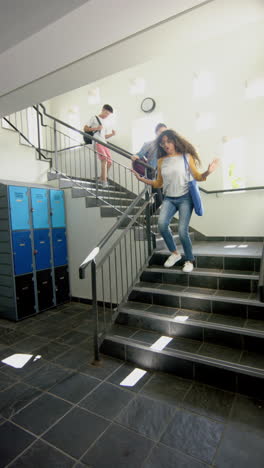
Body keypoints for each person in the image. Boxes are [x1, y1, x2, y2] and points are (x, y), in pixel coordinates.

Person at [132, 129, 219, 273]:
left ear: (175, 141)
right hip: (169, 199)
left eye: (169, 141)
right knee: (162, 224)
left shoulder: (186, 156)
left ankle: (190, 260)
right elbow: (159, 183)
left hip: (185, 198)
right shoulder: (161, 161)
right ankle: (175, 254)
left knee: (182, 231)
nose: (166, 145)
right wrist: (142, 179)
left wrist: (208, 172)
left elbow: (197, 176)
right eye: (163, 143)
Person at [131, 123, 167, 214]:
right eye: (161, 132)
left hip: (164, 175)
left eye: (165, 132)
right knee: (159, 199)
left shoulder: (166, 146)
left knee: (164, 199)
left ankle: (147, 217)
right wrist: (135, 156)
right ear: (156, 132)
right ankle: (146, 217)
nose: (163, 134)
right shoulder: (149, 144)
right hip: (152, 173)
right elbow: (140, 154)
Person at [84, 104, 116, 187]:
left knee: (110, 162)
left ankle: (101, 178)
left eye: (108, 114)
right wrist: (96, 128)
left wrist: (112, 134)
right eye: (106, 113)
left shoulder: (106, 122)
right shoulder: (94, 118)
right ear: (102, 110)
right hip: (97, 141)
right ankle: (104, 181)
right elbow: (85, 128)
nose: (107, 115)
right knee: (104, 159)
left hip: (104, 142)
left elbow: (104, 136)